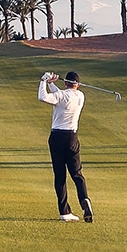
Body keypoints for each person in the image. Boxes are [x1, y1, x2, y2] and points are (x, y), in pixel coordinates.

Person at [38, 71, 94, 223]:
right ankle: (85, 200)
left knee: (60, 175)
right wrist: (51, 84)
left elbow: (43, 97)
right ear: (78, 85)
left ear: (65, 83)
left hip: (57, 137)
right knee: (77, 174)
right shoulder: (81, 96)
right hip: (72, 137)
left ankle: (64, 212)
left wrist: (44, 81)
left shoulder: (61, 95)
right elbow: (62, 96)